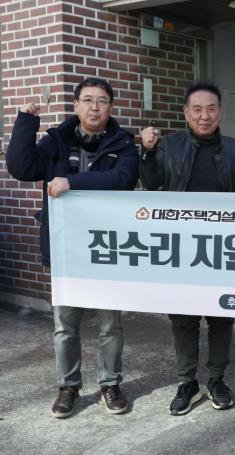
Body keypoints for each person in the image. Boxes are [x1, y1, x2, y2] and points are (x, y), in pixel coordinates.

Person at [5, 77, 139, 418]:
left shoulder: (123, 143)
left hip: (107, 248)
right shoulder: (57, 140)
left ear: (111, 107)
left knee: (110, 324)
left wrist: (71, 182)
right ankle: (68, 386)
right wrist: (26, 122)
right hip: (66, 248)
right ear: (76, 105)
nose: (95, 107)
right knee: (65, 325)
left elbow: (122, 179)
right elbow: (22, 168)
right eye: (88, 100)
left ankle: (110, 383)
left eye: (102, 101)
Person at [139, 82, 235, 416]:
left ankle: (216, 380)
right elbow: (151, 183)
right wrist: (147, 151)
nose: (204, 116)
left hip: (223, 248)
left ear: (220, 112)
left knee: (221, 317)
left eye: (211, 108)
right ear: (186, 113)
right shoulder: (169, 146)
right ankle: (187, 382)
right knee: (183, 318)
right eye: (197, 109)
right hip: (182, 249)